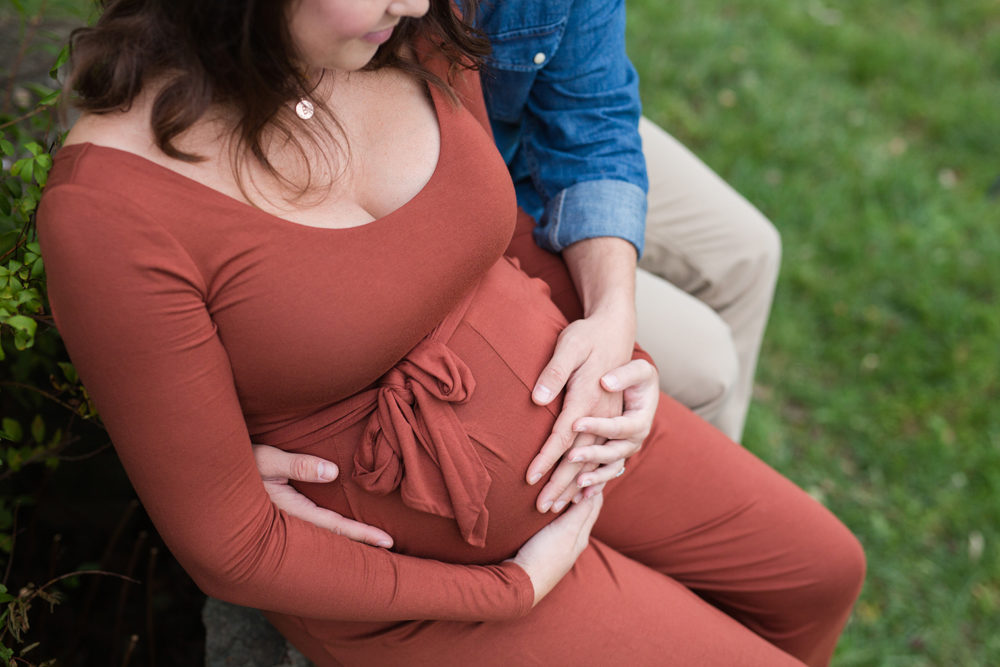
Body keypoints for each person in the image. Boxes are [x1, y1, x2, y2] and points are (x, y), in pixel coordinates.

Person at [38, 1, 864, 665]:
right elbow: (231, 545)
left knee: (822, 574)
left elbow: (492, 236)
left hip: (574, 434)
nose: (415, 1)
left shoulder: (402, 34)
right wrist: (510, 588)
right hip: (423, 582)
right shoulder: (108, 212)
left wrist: (618, 347)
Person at [477, 0, 782, 443]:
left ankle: (717, 463)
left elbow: (595, 114)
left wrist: (613, 311)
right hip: (480, 188)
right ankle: (664, 467)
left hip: (548, 118)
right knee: (708, 366)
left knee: (750, 251)